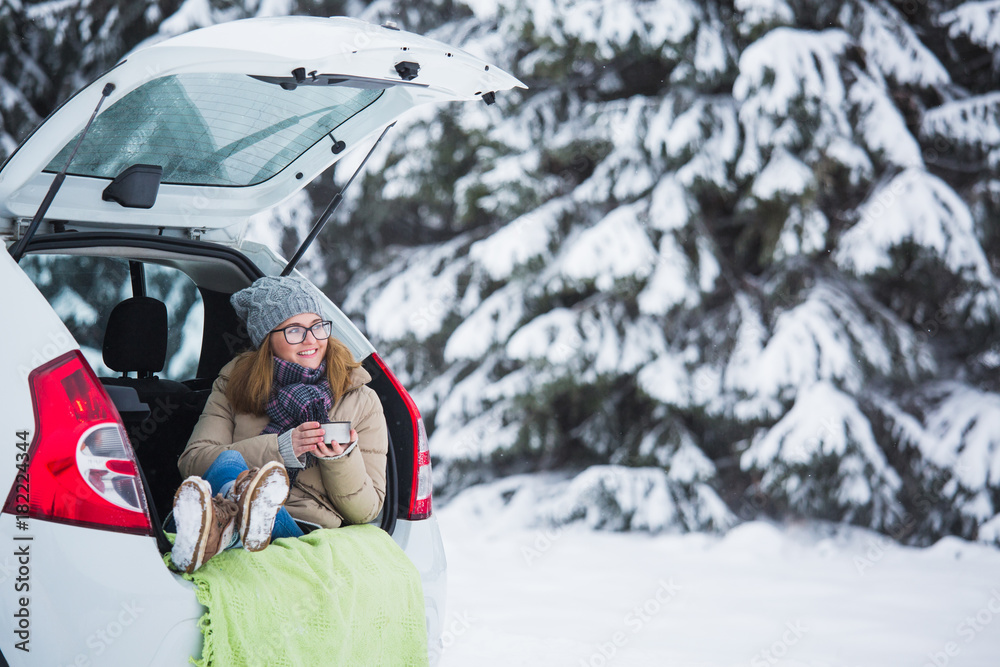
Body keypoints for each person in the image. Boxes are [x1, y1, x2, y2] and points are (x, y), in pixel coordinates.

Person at [170, 275, 388, 573]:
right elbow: (193, 461)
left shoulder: (360, 398)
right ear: (267, 340)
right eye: (295, 330)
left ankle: (223, 532)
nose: (312, 339)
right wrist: (280, 448)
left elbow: (367, 511)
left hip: (303, 529)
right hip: (226, 502)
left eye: (317, 326)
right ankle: (235, 522)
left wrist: (339, 459)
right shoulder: (233, 385)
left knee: (239, 481)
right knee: (228, 461)